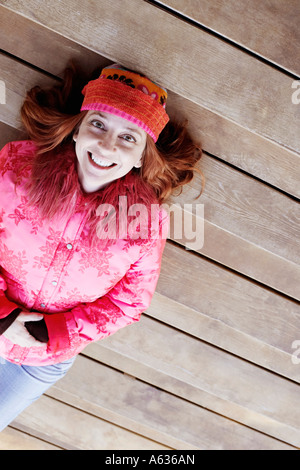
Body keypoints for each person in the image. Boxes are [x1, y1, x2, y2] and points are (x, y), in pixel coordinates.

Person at [0, 63, 203, 431]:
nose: (108, 145)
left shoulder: (146, 220)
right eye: (98, 124)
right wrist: (4, 316)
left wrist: (58, 332)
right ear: (77, 128)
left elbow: (129, 302)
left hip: (43, 356)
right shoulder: (17, 165)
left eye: (129, 137)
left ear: (142, 156)